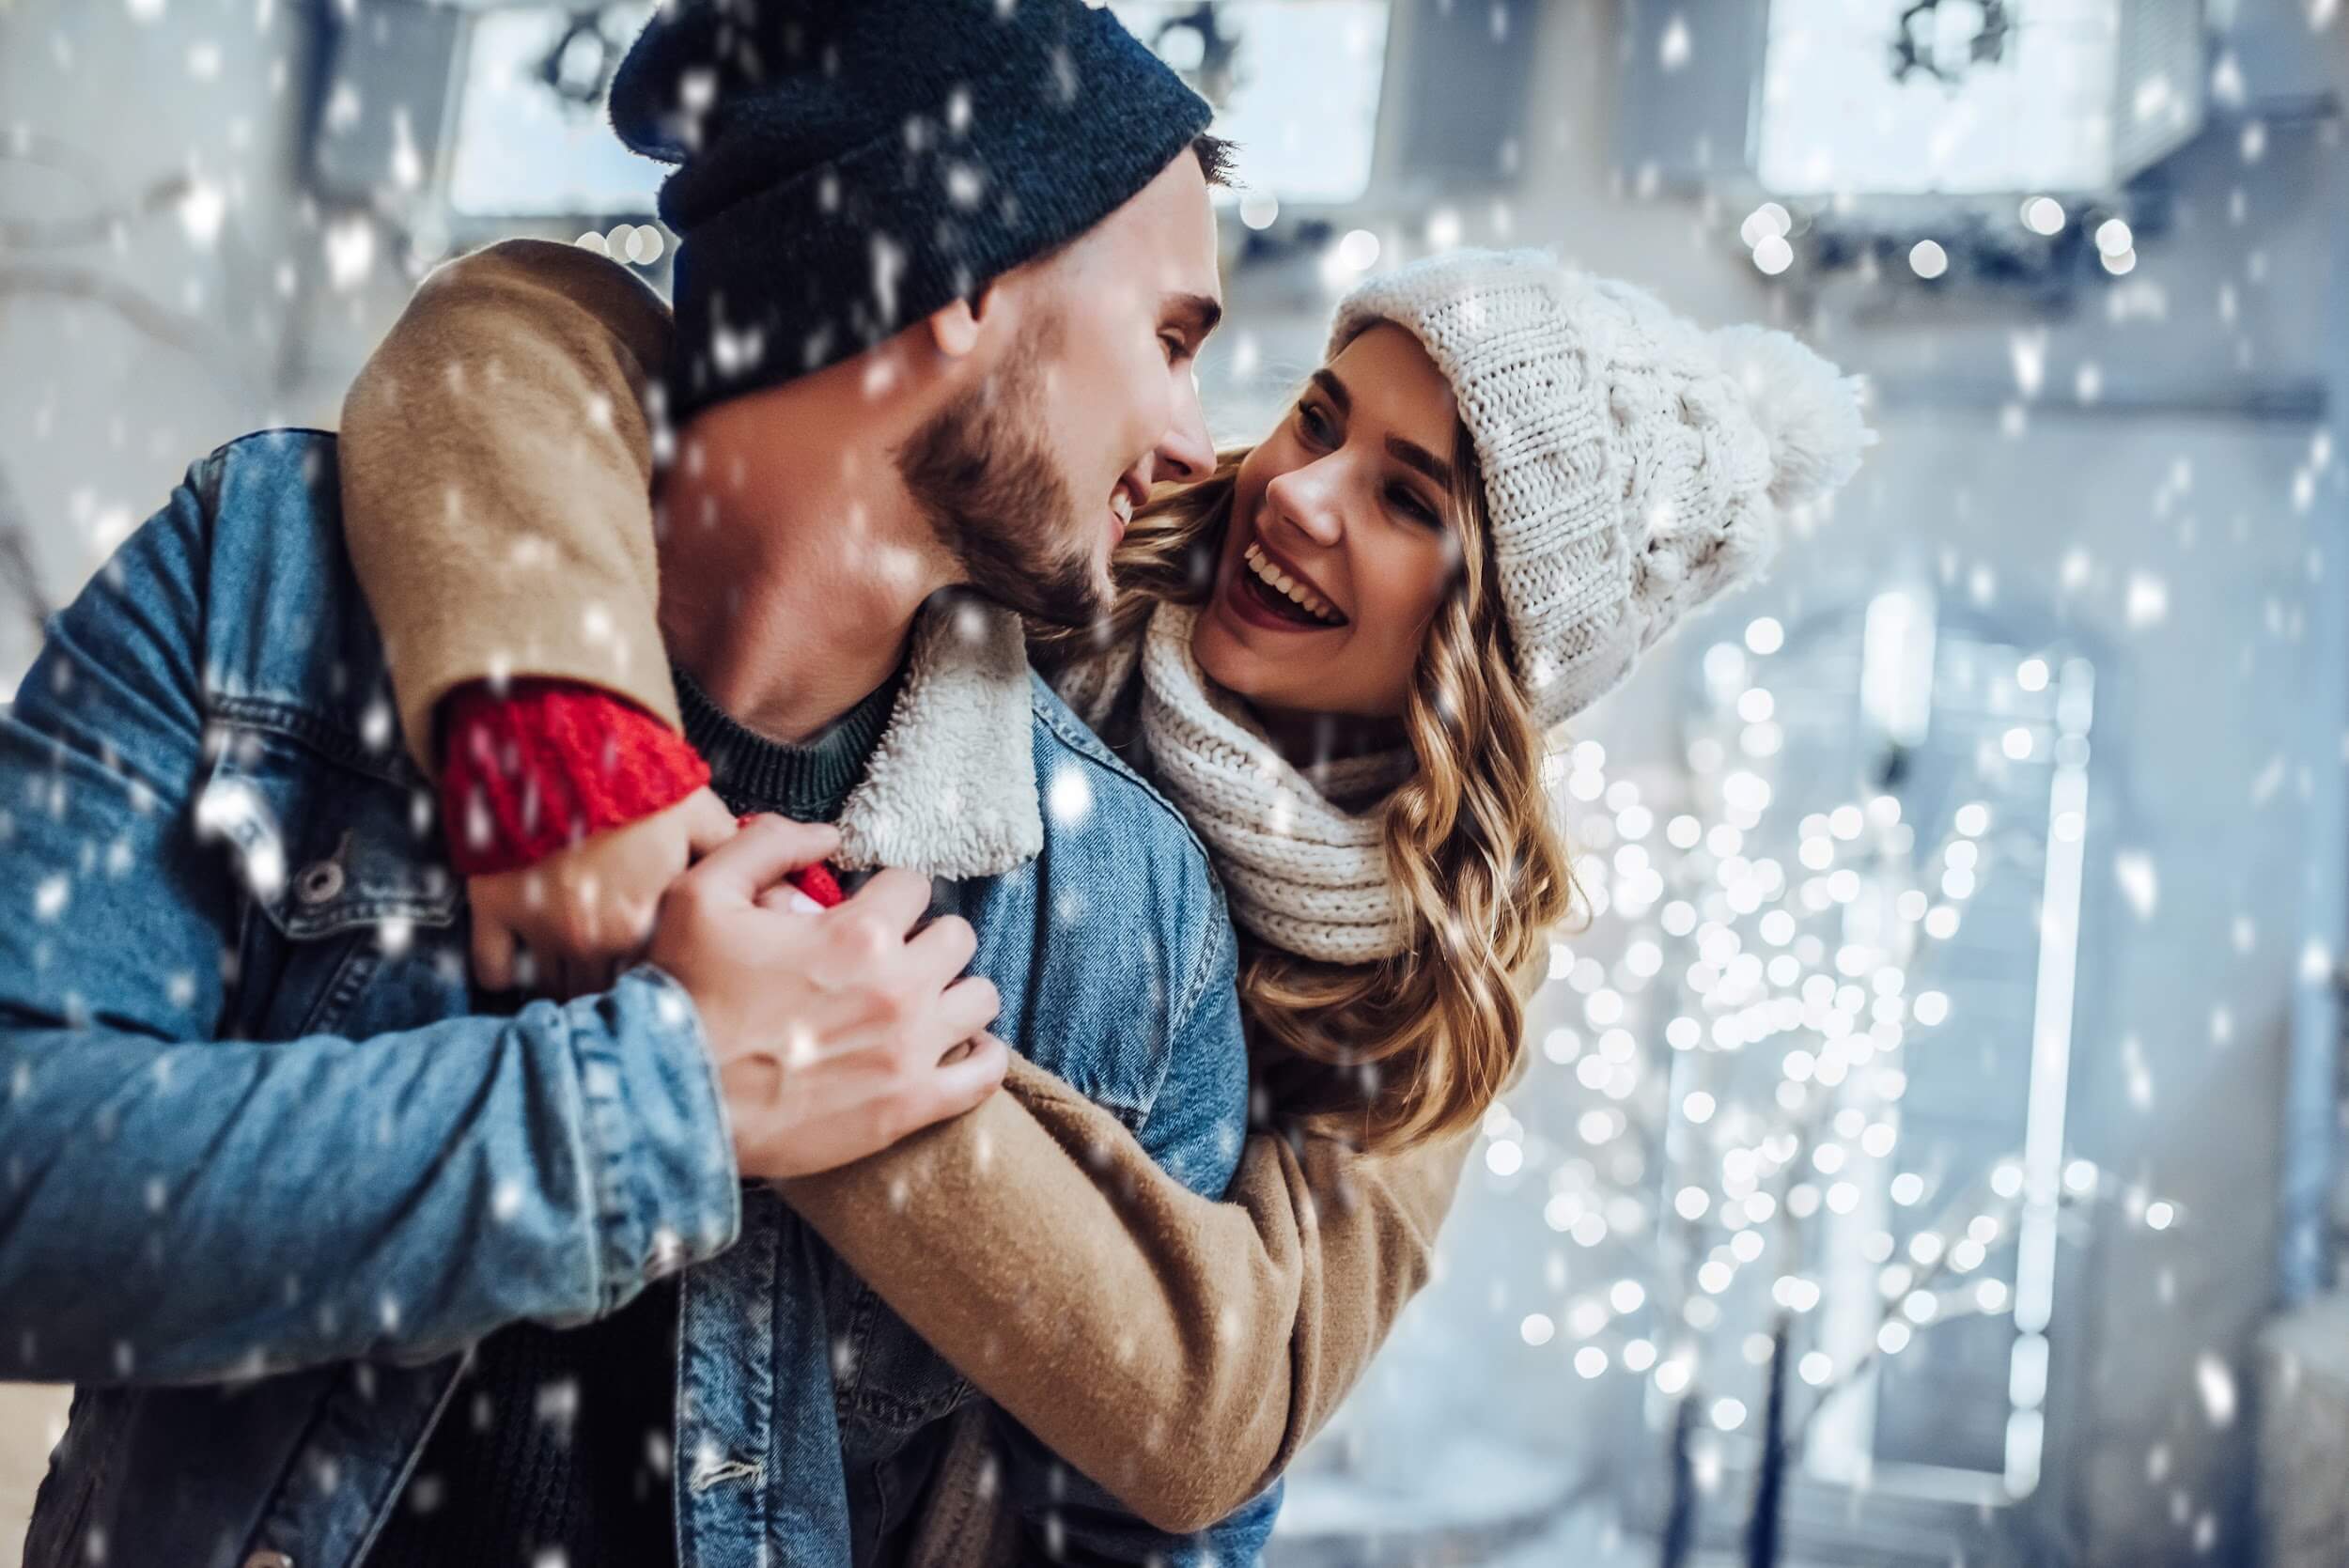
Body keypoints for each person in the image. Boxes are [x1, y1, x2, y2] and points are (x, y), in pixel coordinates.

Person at [336, 218, 1871, 1568]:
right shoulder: (1060, 548)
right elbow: (542, 318)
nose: (1297, 491)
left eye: (1407, 498)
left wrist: (802, 1034)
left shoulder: (1432, 963)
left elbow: (1216, 1415)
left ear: (1492, 647)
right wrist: (566, 745)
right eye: (1319, 416)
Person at [4, 4, 1286, 1566]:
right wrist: (662, 1104)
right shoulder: (266, 579)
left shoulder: (1124, 917)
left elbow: (1164, 1533)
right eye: (1167, 337)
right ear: (963, 270)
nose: (1190, 439)